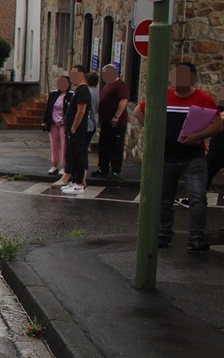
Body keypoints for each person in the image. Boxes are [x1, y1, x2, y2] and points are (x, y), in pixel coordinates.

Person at [134, 61, 219, 251]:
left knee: (198, 198)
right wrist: (153, 130)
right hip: (166, 156)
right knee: (164, 199)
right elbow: (139, 110)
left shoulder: (203, 98)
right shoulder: (163, 96)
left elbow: (217, 123)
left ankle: (196, 237)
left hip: (193, 157)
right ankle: (163, 235)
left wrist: (197, 136)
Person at [93, 64, 129, 180]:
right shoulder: (108, 85)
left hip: (116, 122)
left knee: (116, 146)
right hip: (105, 121)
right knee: (104, 145)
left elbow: (123, 100)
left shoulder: (120, 85)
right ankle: (103, 168)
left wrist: (117, 116)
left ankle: (115, 171)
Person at [60, 65, 93, 194]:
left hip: (77, 130)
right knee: (72, 154)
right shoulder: (78, 90)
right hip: (71, 129)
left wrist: (74, 127)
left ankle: (79, 183)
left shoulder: (83, 91)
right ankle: (74, 181)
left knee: (78, 154)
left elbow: (81, 111)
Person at [42, 74, 70, 176]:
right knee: (54, 144)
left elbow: (71, 111)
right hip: (53, 123)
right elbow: (48, 108)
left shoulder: (71, 95)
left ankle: (65, 166)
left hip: (64, 124)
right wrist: (45, 121)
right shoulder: (53, 94)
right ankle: (54, 165)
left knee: (64, 145)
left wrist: (66, 121)